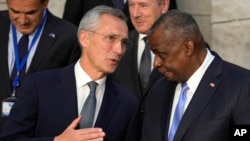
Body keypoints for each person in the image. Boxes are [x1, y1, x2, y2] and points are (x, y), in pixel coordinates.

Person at [0, 5, 139, 141]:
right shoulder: (39, 87)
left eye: (124, 42)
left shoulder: (127, 104)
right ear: (85, 38)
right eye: (111, 38)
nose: (119, 50)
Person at [141, 9, 250, 141]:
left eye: (161, 55)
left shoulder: (242, 86)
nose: (156, 63)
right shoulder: (158, 90)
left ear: (188, 48)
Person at [0, 0, 81, 130]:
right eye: (15, 12)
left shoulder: (69, 37)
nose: (22, 20)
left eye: (30, 13)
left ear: (45, 4)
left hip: (38, 131)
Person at [110, 0, 169, 128]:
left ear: (164, 5)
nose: (135, 14)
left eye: (143, 5)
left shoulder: (181, 47)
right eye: (131, 5)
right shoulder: (116, 46)